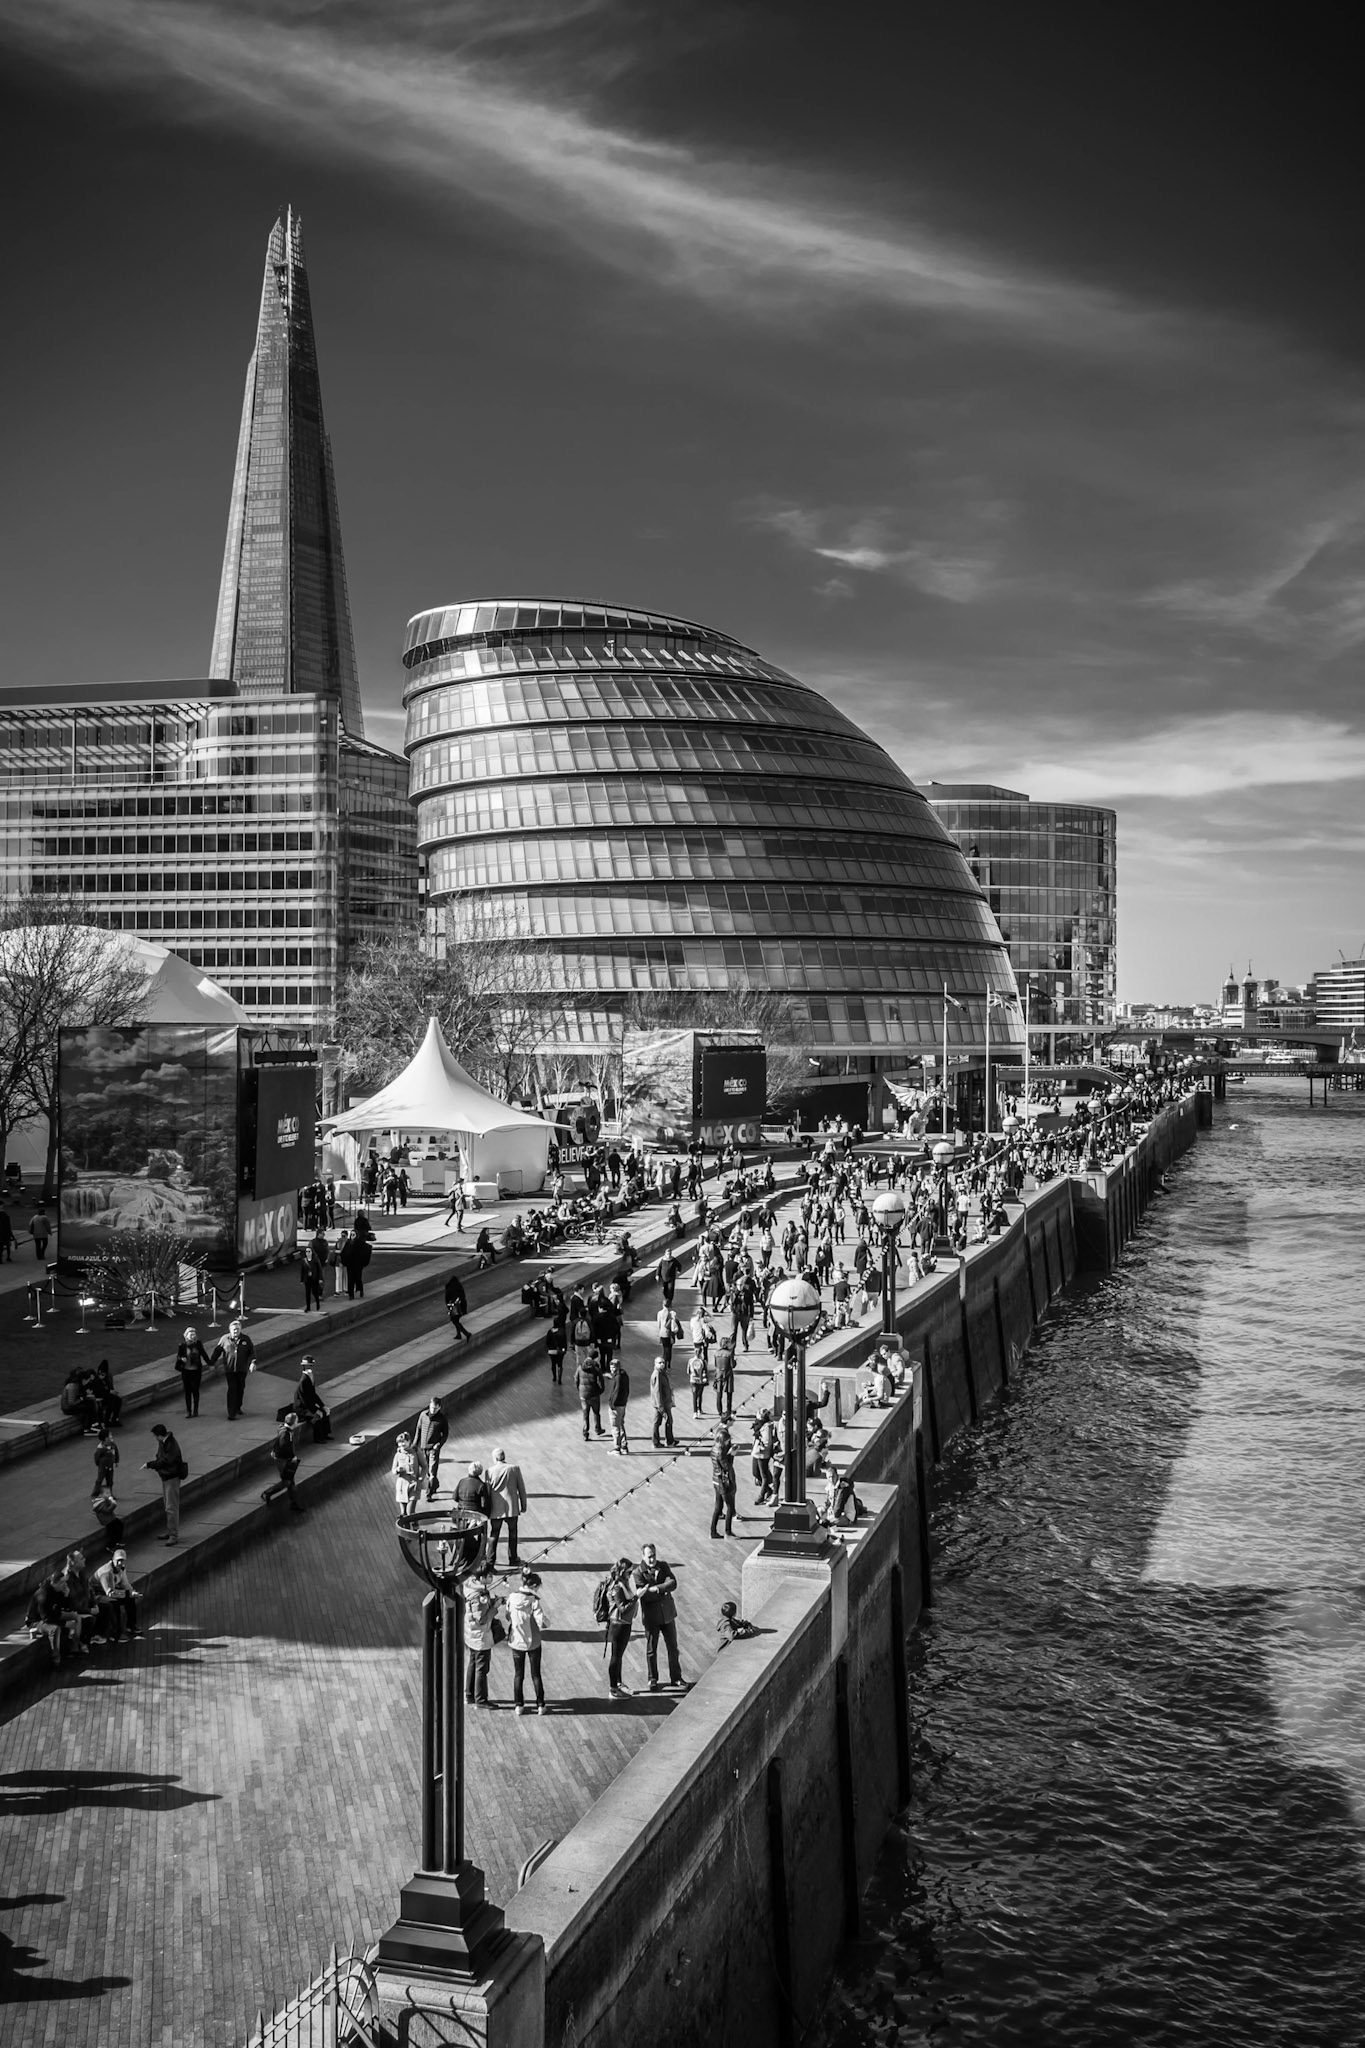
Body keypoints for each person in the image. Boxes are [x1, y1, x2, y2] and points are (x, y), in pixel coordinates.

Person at [632, 1543, 684, 1691]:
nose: (652, 1559)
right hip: (651, 1618)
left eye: (654, 1555)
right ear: (643, 1556)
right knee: (651, 1649)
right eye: (649, 1556)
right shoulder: (638, 1573)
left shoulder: (663, 1566)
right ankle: (652, 1678)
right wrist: (663, 1590)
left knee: (673, 1647)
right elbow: (645, 1595)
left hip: (667, 1614)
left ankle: (676, 1677)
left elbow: (673, 1583)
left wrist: (657, 1588)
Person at [506, 1567, 548, 1715]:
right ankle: (540, 1704)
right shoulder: (534, 1601)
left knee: (518, 1675)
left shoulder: (511, 1597)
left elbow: (507, 1616)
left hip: (516, 1641)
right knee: (536, 1674)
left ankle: (519, 1705)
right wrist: (547, 1622)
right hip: (533, 1642)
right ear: (534, 1586)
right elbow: (542, 1621)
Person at [463, 1569, 500, 1708]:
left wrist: (491, 1602)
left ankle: (469, 1695)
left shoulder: (471, 1588)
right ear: (482, 1577)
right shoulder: (478, 1596)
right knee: (482, 1669)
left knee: (473, 1664)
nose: (492, 1578)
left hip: (471, 1635)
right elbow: (482, 1619)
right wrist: (494, 1607)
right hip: (480, 1637)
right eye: (490, 1576)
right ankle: (481, 1700)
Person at [143, 1422, 185, 1544]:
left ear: (159, 1435)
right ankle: (170, 1530)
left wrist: (151, 1464)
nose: (155, 1439)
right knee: (168, 1505)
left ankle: (173, 1534)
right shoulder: (165, 1442)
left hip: (171, 1477)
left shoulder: (171, 1445)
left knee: (171, 1506)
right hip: (166, 1476)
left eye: (156, 1436)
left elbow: (166, 1460)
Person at [487, 1447, 528, 1567]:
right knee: (513, 1533)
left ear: (495, 1458)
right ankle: (513, 1558)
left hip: (496, 1508)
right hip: (512, 1507)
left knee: (494, 1534)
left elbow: (488, 1491)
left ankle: (490, 1560)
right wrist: (523, 1505)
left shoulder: (489, 1471)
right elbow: (521, 1488)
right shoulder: (514, 1469)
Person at [604, 1557, 638, 1699]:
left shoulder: (624, 1584)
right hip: (619, 1625)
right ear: (622, 1571)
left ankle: (618, 1683)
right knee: (616, 1657)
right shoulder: (617, 1587)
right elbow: (622, 1608)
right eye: (629, 1572)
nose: (630, 1575)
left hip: (624, 1624)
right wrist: (636, 1598)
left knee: (618, 1656)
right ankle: (613, 1689)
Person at [211, 1317, 255, 1420]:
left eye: (238, 1329)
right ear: (230, 1330)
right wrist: (211, 1363)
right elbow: (217, 1351)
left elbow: (252, 1352)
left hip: (242, 1369)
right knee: (232, 1389)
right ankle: (231, 1412)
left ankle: (238, 1406)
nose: (236, 1331)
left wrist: (253, 1362)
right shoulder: (224, 1339)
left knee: (240, 1389)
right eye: (234, 1329)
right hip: (230, 1370)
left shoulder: (246, 1339)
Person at [93, 1548, 141, 1640]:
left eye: (122, 1560)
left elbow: (125, 1583)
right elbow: (110, 1593)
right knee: (114, 1603)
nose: (120, 1563)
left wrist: (132, 1592)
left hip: (110, 1592)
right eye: (118, 1560)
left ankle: (131, 1625)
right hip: (98, 1594)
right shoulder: (106, 1573)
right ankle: (116, 1633)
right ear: (113, 1560)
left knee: (130, 1599)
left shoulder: (121, 1569)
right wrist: (126, 1593)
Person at [261, 1411, 305, 1512]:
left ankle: (294, 1503)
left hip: (283, 1458)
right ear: (294, 1422)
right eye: (297, 1420)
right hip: (283, 1460)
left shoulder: (284, 1430)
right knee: (287, 1481)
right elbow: (283, 1446)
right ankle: (267, 1493)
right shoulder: (286, 1433)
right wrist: (292, 1456)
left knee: (291, 1482)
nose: (298, 1422)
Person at [415, 1397, 449, 1501]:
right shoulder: (423, 1415)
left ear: (439, 1407)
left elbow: (445, 1434)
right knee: (426, 1470)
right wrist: (415, 1444)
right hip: (423, 1447)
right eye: (432, 1407)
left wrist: (438, 1444)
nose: (433, 1410)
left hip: (433, 1449)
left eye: (435, 1408)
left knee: (432, 1471)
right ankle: (435, 1485)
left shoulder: (442, 1419)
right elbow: (418, 1429)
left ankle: (429, 1494)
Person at [175, 1325, 210, 1418]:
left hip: (196, 1371)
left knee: (195, 1390)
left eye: (194, 1335)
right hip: (186, 1371)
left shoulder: (198, 1344)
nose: (193, 1337)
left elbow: (203, 1354)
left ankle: (195, 1410)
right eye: (191, 1335)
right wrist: (181, 1359)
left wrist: (210, 1362)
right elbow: (178, 1356)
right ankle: (188, 1411)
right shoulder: (182, 1346)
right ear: (186, 1336)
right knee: (187, 1392)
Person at [709, 1427, 737, 1539]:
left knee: (718, 1507)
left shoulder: (714, 1449)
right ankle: (728, 1532)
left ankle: (713, 1531)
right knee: (730, 1507)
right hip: (723, 1482)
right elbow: (727, 1467)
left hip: (716, 1480)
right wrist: (731, 1455)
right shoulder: (721, 1453)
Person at [293, 1360, 331, 1442]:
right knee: (317, 1416)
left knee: (325, 1412)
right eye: (308, 1366)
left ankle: (325, 1434)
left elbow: (313, 1394)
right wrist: (315, 1410)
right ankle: (318, 1438)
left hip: (308, 1405)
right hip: (302, 1408)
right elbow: (304, 1400)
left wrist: (322, 1406)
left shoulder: (310, 1377)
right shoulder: (303, 1380)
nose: (310, 1368)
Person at [575, 1347, 605, 1442]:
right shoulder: (596, 1369)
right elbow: (601, 1382)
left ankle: (585, 1433)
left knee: (585, 1414)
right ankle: (598, 1429)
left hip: (583, 1394)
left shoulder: (580, 1368)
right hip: (594, 1394)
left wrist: (579, 1389)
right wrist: (600, 1391)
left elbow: (576, 1379)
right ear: (596, 1358)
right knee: (596, 1412)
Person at [649, 1355, 676, 1449]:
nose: (662, 1364)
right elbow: (657, 1392)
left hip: (663, 1402)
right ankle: (666, 1441)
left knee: (658, 1422)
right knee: (666, 1420)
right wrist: (660, 1406)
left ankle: (662, 1441)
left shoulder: (662, 1373)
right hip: (661, 1403)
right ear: (655, 1364)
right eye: (659, 1363)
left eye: (663, 1362)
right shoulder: (657, 1374)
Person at [392, 1431, 421, 1514]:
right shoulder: (398, 1455)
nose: (401, 1445)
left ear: (408, 1442)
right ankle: (407, 1525)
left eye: (403, 1442)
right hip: (402, 1485)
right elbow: (393, 1470)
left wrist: (421, 1478)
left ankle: (414, 1523)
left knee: (410, 1512)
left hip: (413, 1484)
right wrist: (397, 1470)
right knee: (403, 1512)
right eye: (399, 1443)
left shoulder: (416, 1452)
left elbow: (424, 1466)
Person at [751, 1409, 776, 1506]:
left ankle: (761, 1496)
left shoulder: (766, 1426)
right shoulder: (758, 1424)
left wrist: (761, 1447)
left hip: (762, 1454)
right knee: (755, 1472)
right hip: (756, 1452)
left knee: (763, 1475)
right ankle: (768, 1489)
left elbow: (767, 1441)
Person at [60, 1367, 97, 1434]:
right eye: (87, 1380)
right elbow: (71, 1402)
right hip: (67, 1408)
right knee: (87, 1407)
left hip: (72, 1404)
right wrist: (82, 1399)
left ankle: (92, 1424)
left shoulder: (77, 1385)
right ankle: (87, 1428)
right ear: (83, 1380)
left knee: (90, 1402)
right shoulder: (73, 1386)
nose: (87, 1382)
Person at [607, 1356, 630, 1455]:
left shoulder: (618, 1378)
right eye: (611, 1367)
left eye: (613, 1367)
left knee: (615, 1426)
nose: (612, 1369)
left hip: (616, 1405)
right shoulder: (624, 1375)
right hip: (623, 1404)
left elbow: (616, 1392)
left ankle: (617, 1448)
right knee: (621, 1424)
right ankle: (624, 1446)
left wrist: (612, 1404)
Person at [90, 1358, 122, 1429]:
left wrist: (111, 1391)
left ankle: (114, 1418)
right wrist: (109, 1392)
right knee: (112, 1402)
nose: (101, 1376)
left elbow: (109, 1387)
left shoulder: (106, 1379)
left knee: (117, 1400)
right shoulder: (96, 1380)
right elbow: (98, 1391)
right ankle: (108, 1420)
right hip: (101, 1397)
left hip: (106, 1396)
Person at [713, 1333, 736, 1424]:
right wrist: (735, 1361)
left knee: (719, 1394)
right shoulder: (729, 1353)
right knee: (729, 1394)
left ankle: (719, 1411)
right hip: (728, 1374)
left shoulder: (716, 1353)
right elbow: (732, 1365)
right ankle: (728, 1411)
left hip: (719, 1374)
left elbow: (715, 1364)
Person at [91, 1424, 118, 1499]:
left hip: (110, 1466)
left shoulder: (113, 1445)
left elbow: (116, 1453)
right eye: (110, 1436)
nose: (111, 1437)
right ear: (105, 1439)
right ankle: (95, 1493)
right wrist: (98, 1464)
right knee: (99, 1480)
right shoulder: (100, 1448)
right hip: (102, 1466)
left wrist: (116, 1461)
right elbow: (96, 1457)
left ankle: (109, 1494)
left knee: (110, 1481)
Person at [300, 1232, 326, 1312]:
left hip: (314, 1278)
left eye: (309, 1252)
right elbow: (302, 1271)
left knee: (314, 1292)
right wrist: (301, 1280)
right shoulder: (304, 1261)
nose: (307, 1253)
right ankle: (308, 1307)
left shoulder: (315, 1260)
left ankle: (317, 1303)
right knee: (307, 1293)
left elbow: (319, 1269)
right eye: (306, 1252)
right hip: (307, 1279)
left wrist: (320, 1278)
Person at [444, 1269, 471, 1343]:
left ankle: (466, 1333)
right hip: (461, 1305)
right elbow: (463, 1296)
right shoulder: (459, 1286)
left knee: (455, 1321)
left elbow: (447, 1298)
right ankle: (459, 1334)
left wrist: (449, 1307)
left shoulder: (449, 1287)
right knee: (456, 1320)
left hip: (455, 1306)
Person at [686, 1348, 709, 1419]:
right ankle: (700, 1409)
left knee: (694, 1395)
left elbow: (688, 1371)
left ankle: (695, 1412)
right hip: (700, 1380)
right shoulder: (703, 1361)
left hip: (693, 1380)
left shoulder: (690, 1360)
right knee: (700, 1394)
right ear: (701, 1352)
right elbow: (706, 1371)